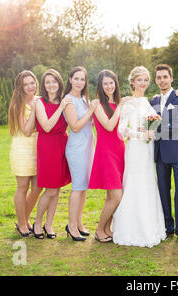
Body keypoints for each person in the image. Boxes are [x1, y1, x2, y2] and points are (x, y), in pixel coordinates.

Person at [113, 66, 166, 248]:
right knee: (135, 183)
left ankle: (151, 226)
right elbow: (121, 130)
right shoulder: (129, 103)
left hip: (148, 149)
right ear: (133, 82)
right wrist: (139, 135)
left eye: (145, 80)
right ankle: (132, 228)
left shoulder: (147, 101)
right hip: (135, 148)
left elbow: (152, 125)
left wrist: (151, 132)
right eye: (139, 80)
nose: (143, 83)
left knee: (148, 182)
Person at [150, 64, 178, 245]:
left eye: (165, 77)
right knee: (163, 190)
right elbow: (148, 125)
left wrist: (158, 126)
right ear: (156, 80)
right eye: (158, 77)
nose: (162, 80)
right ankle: (168, 227)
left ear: (171, 78)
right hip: (160, 153)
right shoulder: (153, 102)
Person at [32, 69, 72, 239]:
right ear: (44, 85)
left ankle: (49, 224)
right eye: (47, 82)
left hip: (62, 145)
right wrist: (61, 107)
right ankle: (37, 222)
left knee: (56, 188)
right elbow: (47, 126)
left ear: (59, 83)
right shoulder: (39, 102)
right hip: (47, 146)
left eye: (54, 81)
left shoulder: (65, 100)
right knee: (50, 189)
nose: (51, 85)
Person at [88, 70, 128, 243]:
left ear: (116, 84)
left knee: (112, 196)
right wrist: (120, 105)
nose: (109, 86)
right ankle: (98, 230)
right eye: (105, 83)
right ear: (100, 86)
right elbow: (109, 126)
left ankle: (107, 229)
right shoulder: (97, 104)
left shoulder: (119, 103)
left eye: (111, 82)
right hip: (106, 152)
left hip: (120, 150)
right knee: (117, 195)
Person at [63, 66, 97, 241]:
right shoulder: (68, 100)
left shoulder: (84, 99)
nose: (79, 82)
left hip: (88, 146)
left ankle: (79, 222)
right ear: (70, 79)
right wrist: (91, 111)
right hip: (76, 148)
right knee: (77, 187)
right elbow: (75, 126)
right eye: (76, 78)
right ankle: (71, 226)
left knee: (84, 187)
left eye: (82, 79)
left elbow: (87, 123)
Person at [8, 70, 43, 237]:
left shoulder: (40, 100)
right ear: (21, 87)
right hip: (22, 149)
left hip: (39, 149)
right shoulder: (18, 104)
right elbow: (27, 130)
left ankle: (24, 217)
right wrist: (36, 109)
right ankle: (22, 223)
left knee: (38, 187)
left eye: (32, 82)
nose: (30, 86)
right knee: (23, 187)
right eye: (26, 84)